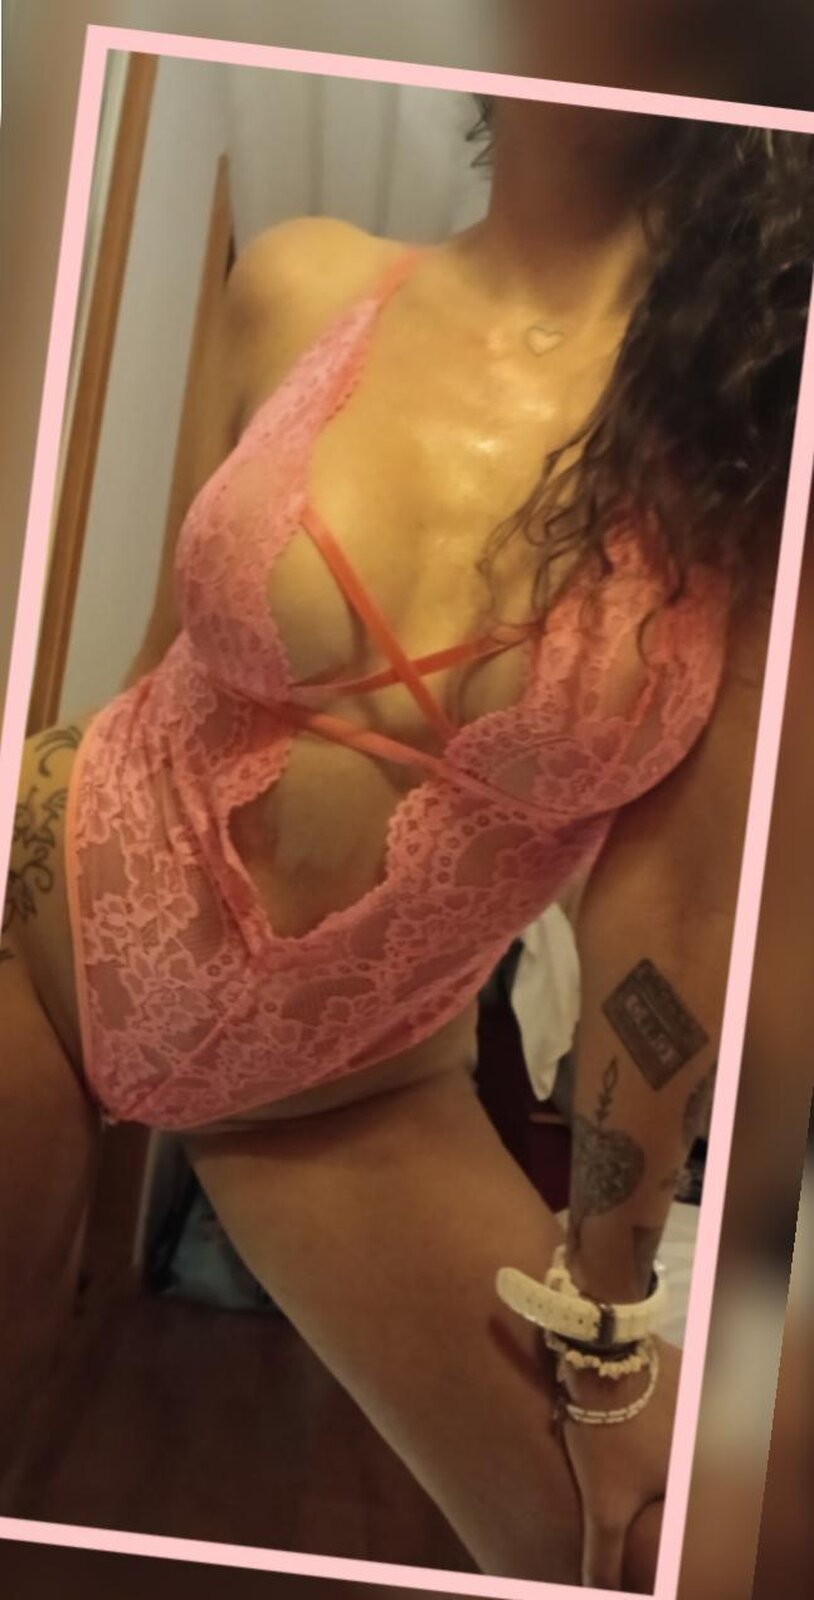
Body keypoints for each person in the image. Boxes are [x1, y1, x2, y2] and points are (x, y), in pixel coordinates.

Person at [2, 8, 812, 1587]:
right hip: (42, 914)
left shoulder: (748, 456)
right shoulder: (298, 278)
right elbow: (171, 666)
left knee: (633, 1549)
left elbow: (669, 913)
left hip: (343, 1089)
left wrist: (604, 1320)